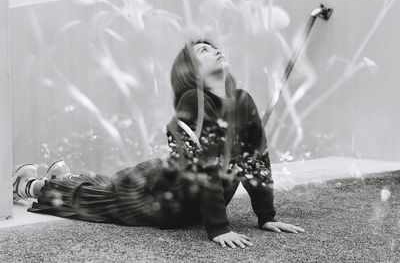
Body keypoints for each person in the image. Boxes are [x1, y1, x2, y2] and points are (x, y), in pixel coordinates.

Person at [12, 39, 304, 249]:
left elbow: (255, 160)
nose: (216, 50)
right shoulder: (194, 101)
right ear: (190, 71)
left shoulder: (243, 101)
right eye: (203, 50)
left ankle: (64, 179)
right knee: (97, 200)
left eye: (215, 47)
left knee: (108, 183)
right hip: (160, 198)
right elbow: (203, 166)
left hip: (168, 181)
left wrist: (266, 216)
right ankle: (29, 185)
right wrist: (218, 228)